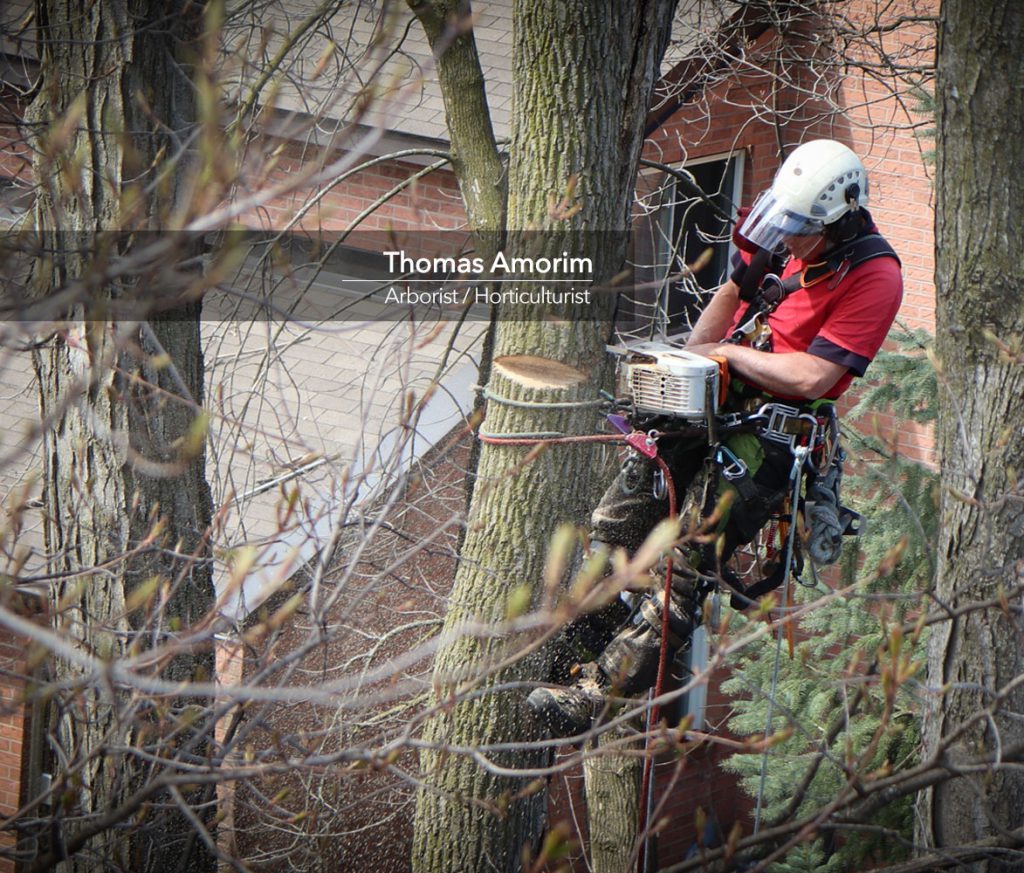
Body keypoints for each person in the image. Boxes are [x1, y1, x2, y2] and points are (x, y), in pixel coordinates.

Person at [527, 139, 904, 738]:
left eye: (804, 232)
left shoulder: (875, 276)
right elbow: (732, 293)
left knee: (685, 566)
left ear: (842, 217)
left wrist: (726, 352)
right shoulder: (781, 222)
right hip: (715, 401)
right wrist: (692, 360)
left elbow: (816, 375)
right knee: (616, 524)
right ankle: (568, 650)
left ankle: (592, 694)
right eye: (788, 225)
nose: (792, 240)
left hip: (771, 436)